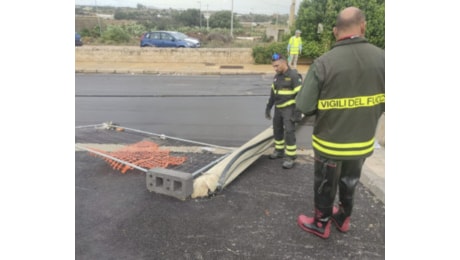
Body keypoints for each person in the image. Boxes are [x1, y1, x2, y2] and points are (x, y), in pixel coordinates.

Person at [294, 6, 384, 239]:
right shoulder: (384, 59)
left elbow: (304, 105)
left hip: (329, 144)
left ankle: (321, 222)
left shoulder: (324, 63)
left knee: (325, 183)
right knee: (350, 180)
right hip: (362, 142)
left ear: (335, 31)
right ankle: (343, 219)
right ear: (363, 26)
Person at [265, 53, 302, 169]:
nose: (275, 69)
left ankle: (290, 157)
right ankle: (279, 150)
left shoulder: (294, 76)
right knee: (277, 129)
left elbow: (300, 96)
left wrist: (298, 112)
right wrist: (268, 108)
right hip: (278, 108)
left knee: (289, 132)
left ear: (284, 63)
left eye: (277, 66)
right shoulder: (277, 76)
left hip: (289, 108)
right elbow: (272, 94)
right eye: (274, 67)